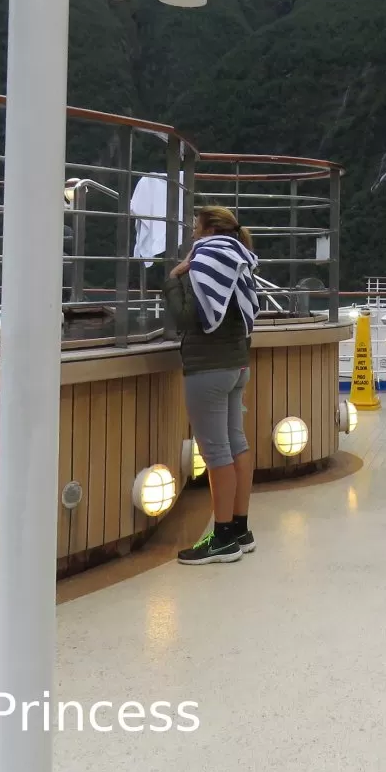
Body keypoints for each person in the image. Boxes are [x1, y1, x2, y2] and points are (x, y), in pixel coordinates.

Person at [166, 206, 259, 566]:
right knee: (237, 444)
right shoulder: (239, 257)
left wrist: (173, 280)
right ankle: (239, 529)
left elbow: (187, 317)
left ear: (208, 228)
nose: (192, 231)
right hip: (237, 365)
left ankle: (221, 539)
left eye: (195, 225)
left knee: (216, 452)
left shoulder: (205, 260)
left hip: (208, 369)